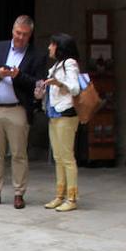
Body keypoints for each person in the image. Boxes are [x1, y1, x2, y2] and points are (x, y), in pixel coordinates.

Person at [0, 15, 42, 210]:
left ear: (30, 35)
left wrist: (18, 76)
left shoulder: (36, 55)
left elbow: (38, 83)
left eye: (24, 35)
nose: (20, 37)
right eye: (17, 33)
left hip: (18, 109)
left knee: (18, 154)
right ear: (12, 31)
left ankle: (18, 193)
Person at [41, 33, 83, 211]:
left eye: (52, 44)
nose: (49, 47)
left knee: (67, 157)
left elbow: (75, 88)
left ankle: (71, 198)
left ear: (60, 47)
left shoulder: (70, 63)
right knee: (58, 157)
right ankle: (60, 195)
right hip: (54, 113)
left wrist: (58, 84)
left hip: (66, 113)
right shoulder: (57, 65)